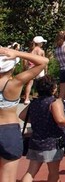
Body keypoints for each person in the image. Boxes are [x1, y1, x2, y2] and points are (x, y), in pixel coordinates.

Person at [0, 46, 49, 181]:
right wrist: (16, 53)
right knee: (8, 177)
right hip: (9, 131)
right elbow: (44, 61)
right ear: (11, 68)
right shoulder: (15, 83)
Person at [20, 75, 65, 182]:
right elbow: (60, 119)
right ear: (53, 88)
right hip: (52, 142)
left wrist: (37, 120)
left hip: (35, 141)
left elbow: (22, 115)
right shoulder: (54, 102)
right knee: (53, 172)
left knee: (31, 171)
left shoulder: (34, 102)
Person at [22, 36, 47, 104]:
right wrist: (46, 70)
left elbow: (26, 61)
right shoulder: (41, 51)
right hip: (39, 68)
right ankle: (41, 97)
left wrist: (25, 69)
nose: (42, 44)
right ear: (39, 43)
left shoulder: (30, 51)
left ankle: (26, 99)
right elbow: (44, 62)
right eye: (42, 42)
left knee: (29, 84)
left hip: (31, 68)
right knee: (42, 83)